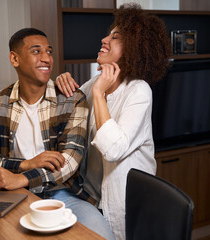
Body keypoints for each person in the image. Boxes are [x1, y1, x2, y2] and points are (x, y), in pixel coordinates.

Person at [0, 28, 115, 239]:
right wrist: (25, 165)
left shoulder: (72, 99)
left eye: (49, 52)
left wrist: (22, 178)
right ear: (14, 59)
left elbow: (70, 161)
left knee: (103, 236)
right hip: (14, 194)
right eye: (36, 51)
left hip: (63, 194)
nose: (46, 58)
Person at [55, 3, 171, 240]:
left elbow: (114, 149)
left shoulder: (138, 91)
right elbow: (61, 120)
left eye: (115, 37)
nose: (104, 39)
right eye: (109, 33)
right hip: (89, 199)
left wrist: (99, 94)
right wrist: (60, 83)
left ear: (133, 49)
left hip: (125, 205)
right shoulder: (91, 86)